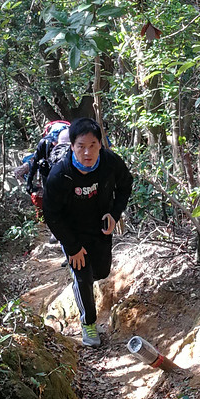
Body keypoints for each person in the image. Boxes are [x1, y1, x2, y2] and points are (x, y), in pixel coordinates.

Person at [42, 118, 133, 348]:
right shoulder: (60, 174)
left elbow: (125, 184)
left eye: (92, 145)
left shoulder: (110, 162)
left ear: (100, 145)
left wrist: (114, 213)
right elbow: (51, 214)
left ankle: (80, 280)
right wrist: (72, 246)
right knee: (82, 274)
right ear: (72, 146)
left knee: (101, 272)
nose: (87, 152)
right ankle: (89, 324)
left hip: (101, 226)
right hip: (72, 231)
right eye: (81, 146)